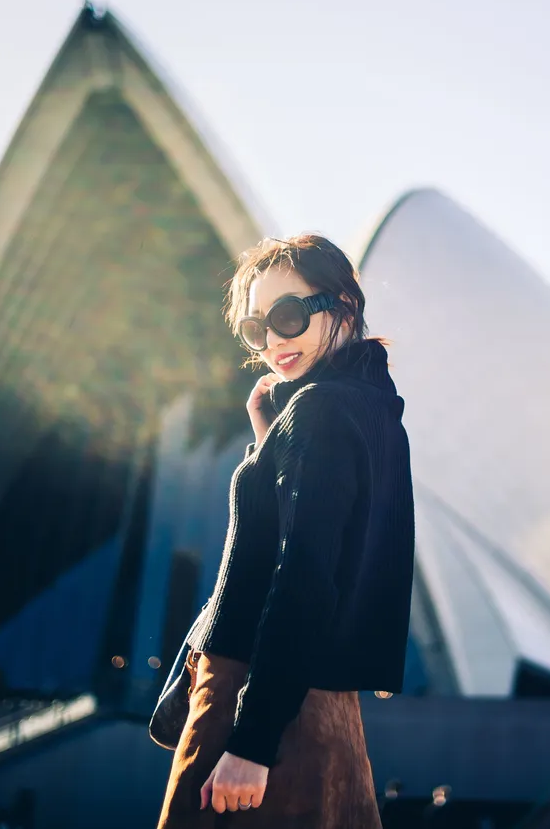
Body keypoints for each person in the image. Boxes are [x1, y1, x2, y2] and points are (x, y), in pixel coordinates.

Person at [157, 235, 415, 828]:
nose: (273, 340)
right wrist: (270, 443)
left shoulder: (320, 409)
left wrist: (251, 744)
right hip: (323, 705)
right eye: (256, 328)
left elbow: (303, 578)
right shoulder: (374, 410)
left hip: (256, 697)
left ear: (343, 306)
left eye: (289, 316)